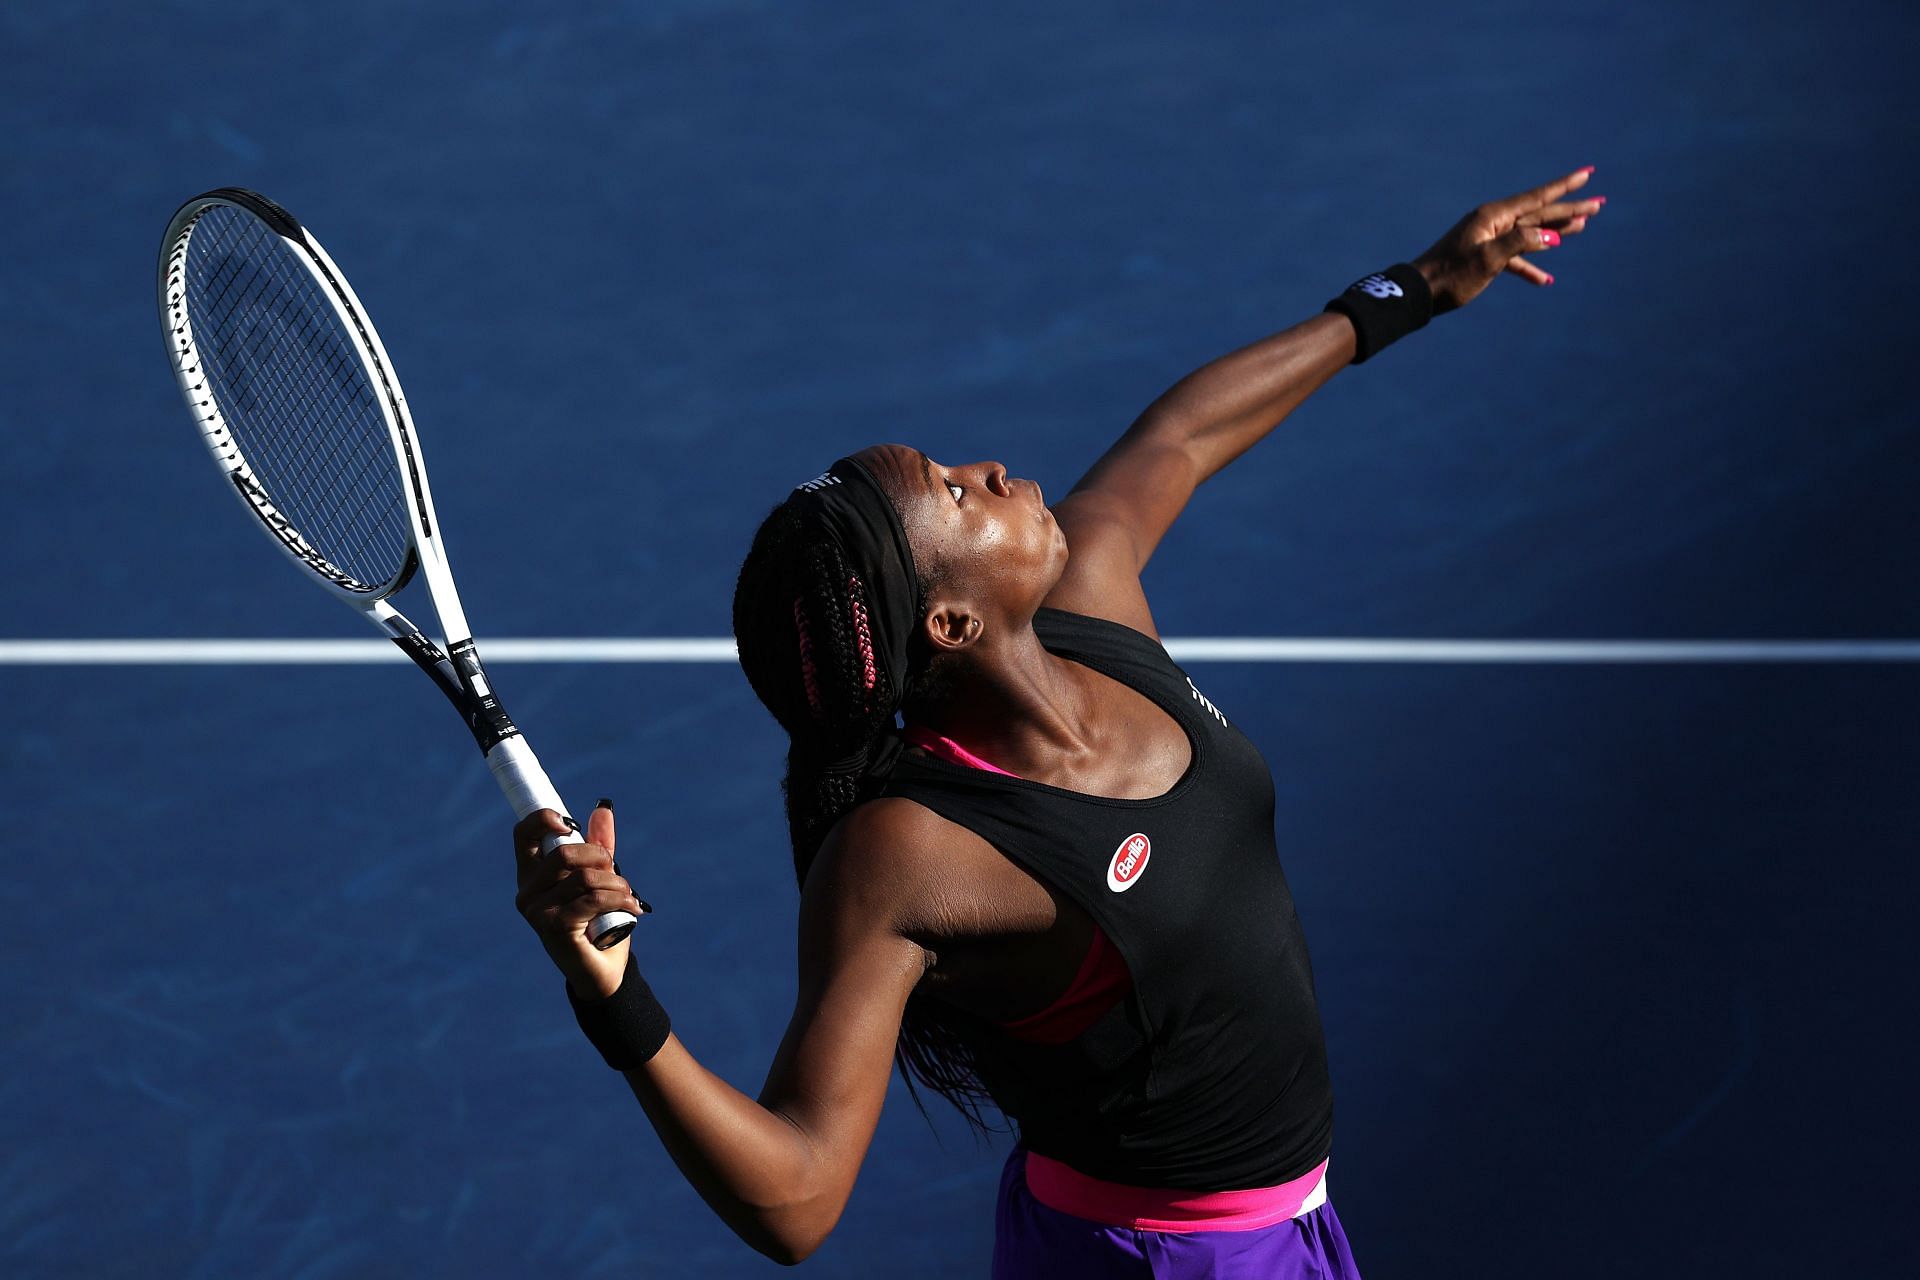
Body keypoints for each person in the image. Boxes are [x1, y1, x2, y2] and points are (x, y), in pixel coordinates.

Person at [511, 166, 1604, 1275]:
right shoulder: (916, 848)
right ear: (947, 621)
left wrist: (1416, 286)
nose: (986, 467)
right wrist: (613, 995)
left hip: (1283, 1225)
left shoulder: (1090, 607)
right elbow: (797, 1197)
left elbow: (1181, 435)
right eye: (951, 491)